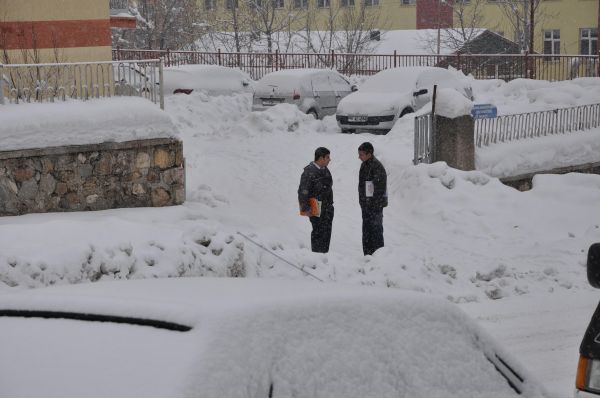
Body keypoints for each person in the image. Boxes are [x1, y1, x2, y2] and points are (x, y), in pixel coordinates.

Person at [298, 147, 334, 253]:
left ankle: (324, 256)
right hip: (315, 206)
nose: (329, 159)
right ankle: (317, 257)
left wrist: (330, 207)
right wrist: (305, 208)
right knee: (318, 233)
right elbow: (303, 192)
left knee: (326, 234)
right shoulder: (309, 172)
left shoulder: (325, 169)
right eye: (327, 157)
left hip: (328, 208)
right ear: (321, 158)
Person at [357, 142, 387, 256]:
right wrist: (363, 202)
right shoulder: (364, 164)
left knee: (376, 232)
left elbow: (379, 190)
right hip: (366, 206)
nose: (359, 157)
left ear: (369, 154)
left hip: (375, 207)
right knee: (366, 232)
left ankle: (379, 257)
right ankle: (367, 256)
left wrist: (371, 204)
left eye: (361, 154)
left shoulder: (377, 167)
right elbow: (362, 185)